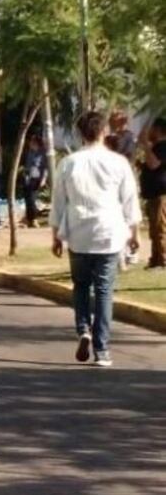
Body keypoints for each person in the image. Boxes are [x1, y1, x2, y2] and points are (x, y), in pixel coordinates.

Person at [49, 111, 141, 368]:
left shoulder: (68, 163)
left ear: (80, 134)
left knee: (80, 285)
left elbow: (58, 202)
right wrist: (135, 234)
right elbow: (130, 201)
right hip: (108, 233)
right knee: (103, 291)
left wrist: (55, 236)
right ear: (104, 132)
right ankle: (102, 350)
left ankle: (83, 329)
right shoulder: (118, 163)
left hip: (79, 233)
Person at [138, 117, 166, 270]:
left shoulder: (163, 146)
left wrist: (145, 145)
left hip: (161, 194)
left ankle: (163, 260)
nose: (147, 133)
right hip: (153, 195)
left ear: (158, 130)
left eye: (150, 129)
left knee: (161, 228)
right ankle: (155, 260)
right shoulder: (156, 147)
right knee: (154, 230)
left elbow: (154, 164)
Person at [22, 134, 48, 228]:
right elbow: (27, 165)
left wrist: (44, 179)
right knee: (27, 199)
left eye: (32, 142)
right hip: (28, 178)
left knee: (32, 198)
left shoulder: (43, 153)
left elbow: (45, 167)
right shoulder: (30, 152)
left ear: (36, 143)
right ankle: (29, 219)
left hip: (37, 178)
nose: (30, 144)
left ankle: (34, 218)